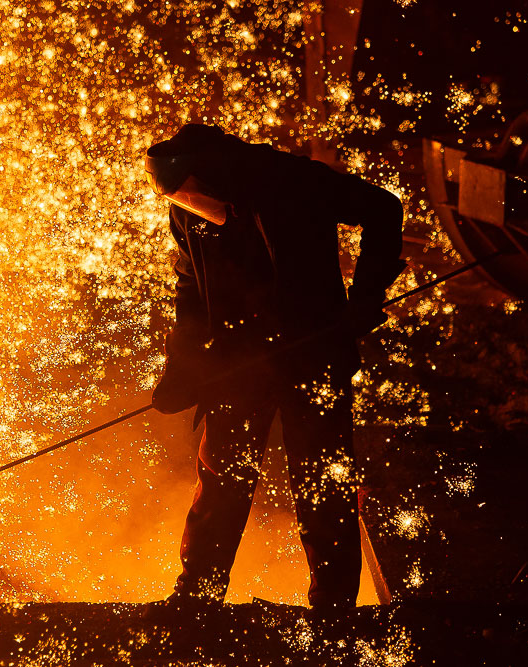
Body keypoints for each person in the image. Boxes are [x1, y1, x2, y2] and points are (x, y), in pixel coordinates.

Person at [144, 123, 405, 619]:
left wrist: (368, 293)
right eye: (182, 200)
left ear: (218, 174)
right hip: (239, 364)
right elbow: (190, 290)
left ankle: (334, 608)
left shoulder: (293, 181)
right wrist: (183, 366)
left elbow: (383, 208)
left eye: (195, 195)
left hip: (313, 355)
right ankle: (196, 597)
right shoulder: (187, 211)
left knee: (322, 483)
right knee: (222, 478)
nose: (192, 207)